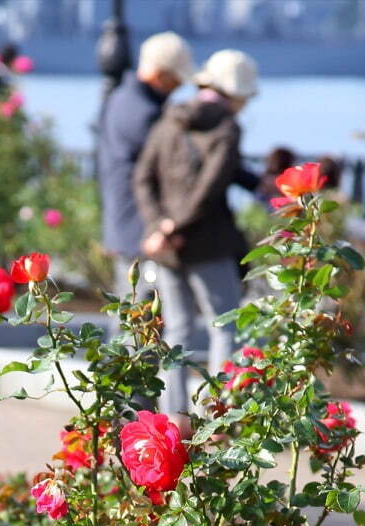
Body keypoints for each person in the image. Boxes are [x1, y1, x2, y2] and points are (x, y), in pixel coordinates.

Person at [132, 49, 259, 416]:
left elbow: (143, 178)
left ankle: (176, 418)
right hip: (209, 245)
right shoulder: (227, 127)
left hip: (167, 249)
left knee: (178, 333)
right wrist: (175, 225)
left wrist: (160, 226)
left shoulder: (169, 120)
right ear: (235, 94)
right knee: (224, 327)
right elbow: (210, 187)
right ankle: (216, 415)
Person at [96, 32, 194, 296]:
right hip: (139, 223)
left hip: (128, 219)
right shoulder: (142, 111)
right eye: (175, 79)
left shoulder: (124, 99)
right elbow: (170, 163)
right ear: (160, 74)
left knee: (133, 313)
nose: (178, 86)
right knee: (138, 314)